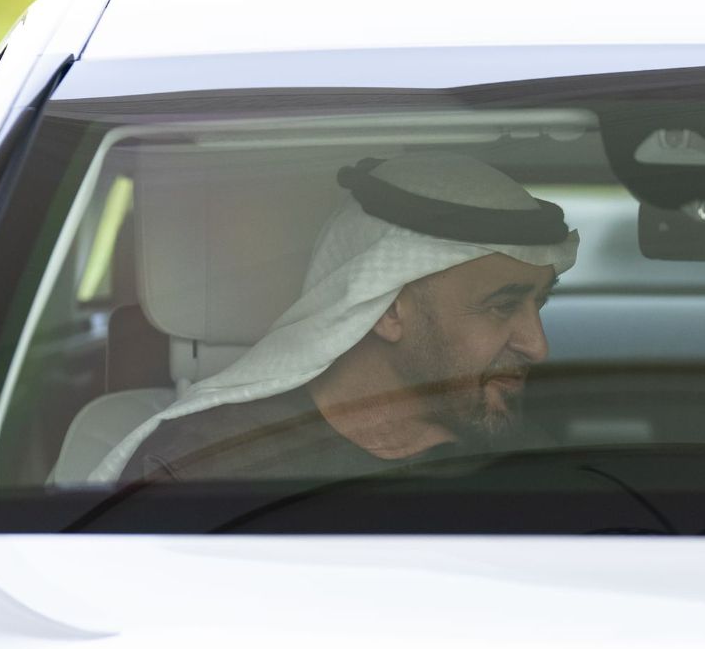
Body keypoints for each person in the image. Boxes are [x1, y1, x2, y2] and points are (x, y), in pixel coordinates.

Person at [93, 152, 579, 483]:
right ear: (389, 309)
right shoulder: (206, 470)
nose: (538, 346)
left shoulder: (537, 474)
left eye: (539, 303)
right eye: (501, 306)